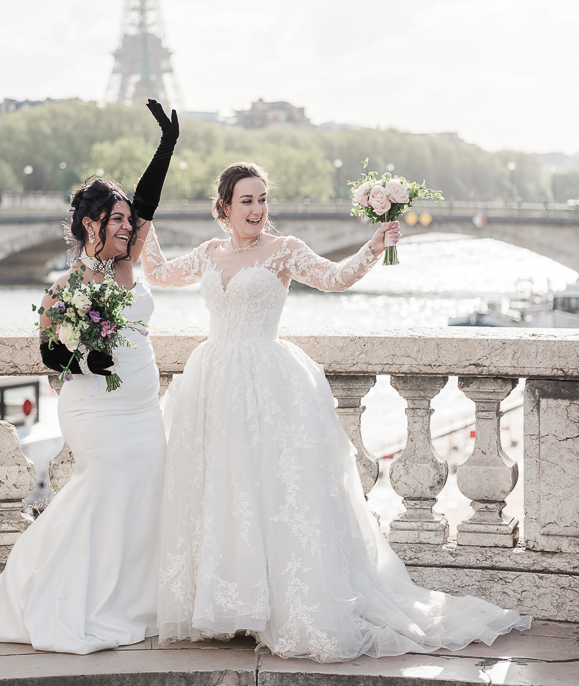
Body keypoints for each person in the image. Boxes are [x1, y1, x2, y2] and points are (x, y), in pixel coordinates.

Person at [140, 161, 531, 664]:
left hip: (267, 383)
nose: (258, 210)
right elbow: (158, 273)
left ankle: (278, 606)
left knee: (275, 492)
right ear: (224, 208)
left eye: (262, 199)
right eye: (247, 201)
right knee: (224, 491)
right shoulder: (209, 253)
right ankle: (234, 605)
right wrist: (142, 217)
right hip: (214, 381)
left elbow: (334, 279)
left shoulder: (284, 252)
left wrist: (373, 245)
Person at [0, 100, 179, 654]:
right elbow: (48, 355)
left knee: (143, 496)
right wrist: (88, 362)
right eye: (116, 219)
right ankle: (63, 596)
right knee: (105, 490)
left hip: (141, 410)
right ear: (91, 225)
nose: (127, 226)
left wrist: (166, 146)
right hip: (95, 411)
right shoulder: (62, 289)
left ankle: (129, 603)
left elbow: (148, 201)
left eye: (127, 221)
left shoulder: (128, 264)